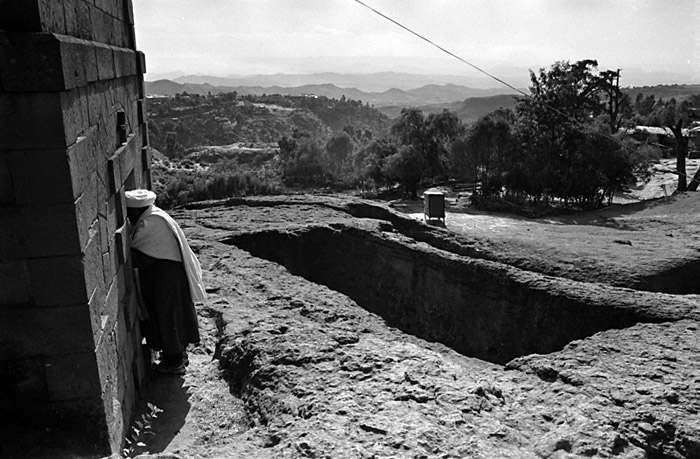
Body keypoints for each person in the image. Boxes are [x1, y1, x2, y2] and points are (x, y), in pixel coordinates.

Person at [125, 189, 206, 375]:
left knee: (167, 315)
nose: (129, 218)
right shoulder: (155, 216)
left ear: (137, 210)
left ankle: (174, 361)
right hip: (167, 274)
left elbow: (142, 255)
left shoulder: (150, 224)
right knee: (174, 314)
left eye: (130, 213)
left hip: (165, 276)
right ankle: (178, 355)